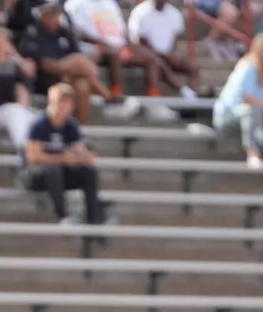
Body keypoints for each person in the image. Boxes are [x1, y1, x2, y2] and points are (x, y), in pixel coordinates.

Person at [21, 83, 105, 225]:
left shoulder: (71, 126)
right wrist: (63, 159)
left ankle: (94, 220)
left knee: (89, 172)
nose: (63, 108)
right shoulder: (38, 125)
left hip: (60, 174)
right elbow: (33, 157)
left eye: (67, 104)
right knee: (52, 169)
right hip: (35, 176)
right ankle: (63, 216)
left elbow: (78, 150)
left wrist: (84, 157)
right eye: (60, 103)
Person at [213, 35, 263, 168]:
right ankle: (253, 156)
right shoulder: (247, 66)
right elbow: (247, 98)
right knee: (252, 109)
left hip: (262, 117)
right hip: (228, 117)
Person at [125, 0, 197, 98]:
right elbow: (140, 41)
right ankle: (156, 96)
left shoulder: (175, 13)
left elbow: (174, 41)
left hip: (167, 53)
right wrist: (162, 54)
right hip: (147, 54)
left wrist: (171, 55)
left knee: (193, 68)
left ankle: (192, 96)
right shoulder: (140, 12)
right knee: (157, 62)